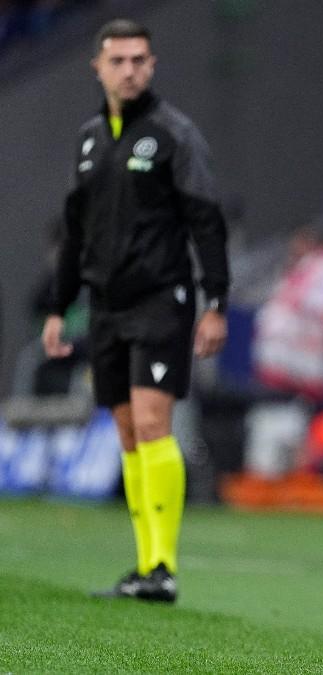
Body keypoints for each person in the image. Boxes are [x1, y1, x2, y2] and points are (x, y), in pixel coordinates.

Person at [42, 19, 229, 603]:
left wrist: (215, 301)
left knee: (152, 423)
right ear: (96, 67)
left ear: (152, 65)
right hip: (106, 305)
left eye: (139, 60)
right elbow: (76, 233)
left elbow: (206, 220)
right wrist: (59, 305)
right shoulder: (90, 138)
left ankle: (164, 568)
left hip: (161, 300)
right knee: (126, 433)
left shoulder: (174, 135)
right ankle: (147, 564)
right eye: (118, 60)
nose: (129, 70)